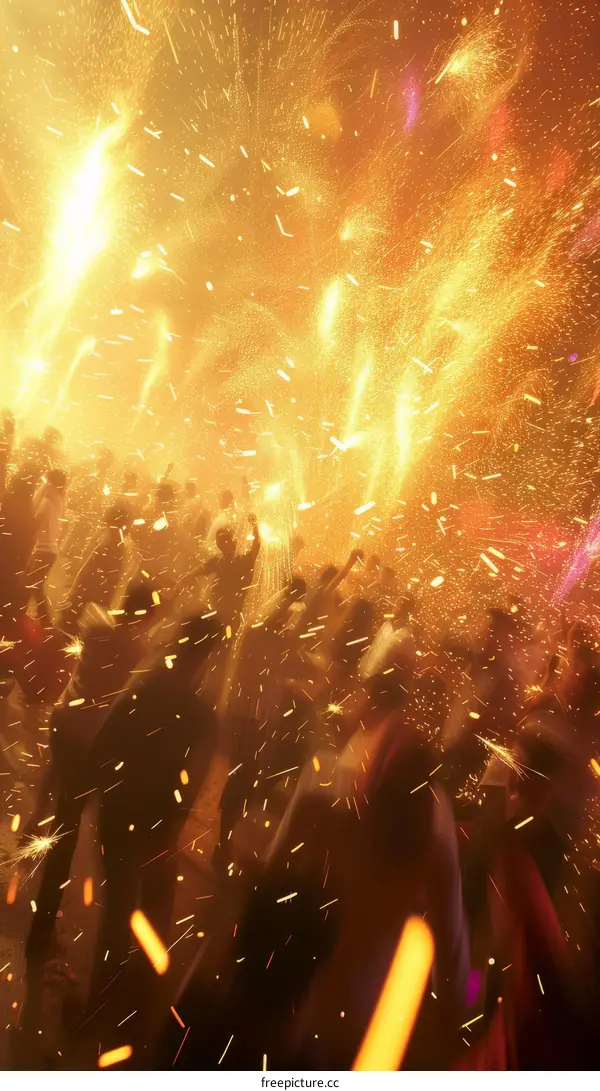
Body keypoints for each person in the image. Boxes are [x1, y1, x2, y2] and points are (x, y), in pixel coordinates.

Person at [22, 581, 158, 1031]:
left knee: (61, 815)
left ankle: (40, 916)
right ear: (144, 614)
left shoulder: (98, 621)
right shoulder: (134, 647)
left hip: (65, 727)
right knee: (71, 835)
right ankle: (41, 932)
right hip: (90, 745)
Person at [88, 611, 221, 1003]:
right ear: (206, 658)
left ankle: (102, 997)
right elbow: (192, 782)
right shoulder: (202, 717)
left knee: (118, 908)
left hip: (120, 813)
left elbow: (104, 743)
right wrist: (172, 828)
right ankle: (142, 991)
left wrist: (98, 792)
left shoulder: (145, 686)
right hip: (157, 825)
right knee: (154, 905)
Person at [180, 513, 261, 635]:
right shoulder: (222, 561)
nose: (227, 544)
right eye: (224, 542)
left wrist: (255, 527)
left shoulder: (237, 561)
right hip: (225, 610)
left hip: (231, 610)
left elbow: (256, 546)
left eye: (228, 540)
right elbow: (198, 570)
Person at [59, 504, 133, 630]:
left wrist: (75, 590)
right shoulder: (119, 541)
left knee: (68, 624)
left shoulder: (109, 539)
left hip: (89, 592)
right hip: (98, 595)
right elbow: (115, 575)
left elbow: (89, 567)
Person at [27, 468, 67, 625]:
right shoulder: (57, 500)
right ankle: (43, 619)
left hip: (44, 550)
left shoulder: (47, 502)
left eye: (44, 481)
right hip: (49, 550)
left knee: (32, 584)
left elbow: (34, 523)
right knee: (33, 584)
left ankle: (45, 620)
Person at [359, 594, 417, 684]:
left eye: (399, 606)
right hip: (362, 670)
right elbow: (373, 648)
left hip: (376, 681)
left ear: (406, 611)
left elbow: (403, 666)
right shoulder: (386, 625)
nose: (394, 607)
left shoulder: (406, 637)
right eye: (396, 604)